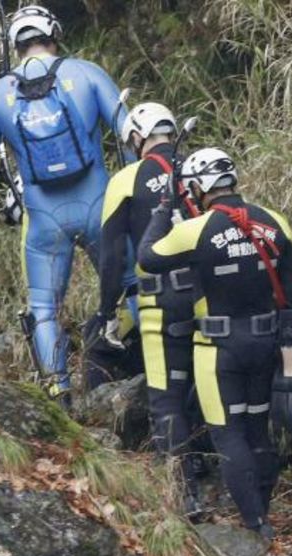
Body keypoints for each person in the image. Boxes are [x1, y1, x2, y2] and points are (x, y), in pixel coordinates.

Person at [0, 4, 134, 401]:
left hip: (43, 221)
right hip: (101, 208)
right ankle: (113, 344)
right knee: (134, 286)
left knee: (43, 307)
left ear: (15, 45)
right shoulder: (85, 73)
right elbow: (128, 133)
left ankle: (59, 389)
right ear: (53, 34)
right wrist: (138, 190)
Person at [137, 147, 292, 538]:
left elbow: (147, 257)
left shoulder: (196, 230)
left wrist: (164, 209)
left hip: (218, 347)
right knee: (257, 428)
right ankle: (262, 508)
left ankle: (255, 524)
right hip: (266, 342)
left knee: (228, 432)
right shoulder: (274, 221)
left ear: (198, 187)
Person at [97, 102, 205, 515]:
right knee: (211, 383)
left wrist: (107, 310)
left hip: (162, 298)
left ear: (137, 138)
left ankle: (184, 492)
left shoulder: (126, 179)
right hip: (209, 294)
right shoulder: (199, 166)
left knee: (167, 396)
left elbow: (111, 258)